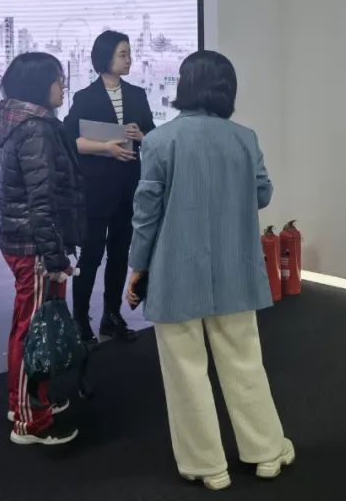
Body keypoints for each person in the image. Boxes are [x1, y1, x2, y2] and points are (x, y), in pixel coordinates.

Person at [126, 51, 294, 491]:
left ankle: (207, 466)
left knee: (185, 371)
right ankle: (266, 452)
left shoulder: (159, 141)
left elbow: (145, 215)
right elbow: (262, 194)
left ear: (184, 85)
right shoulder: (244, 138)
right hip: (236, 269)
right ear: (226, 89)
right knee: (245, 362)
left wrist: (136, 268)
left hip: (174, 271)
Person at [0, 52, 85, 446]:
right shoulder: (35, 128)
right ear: (38, 85)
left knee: (36, 323)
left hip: (29, 239)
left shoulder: (22, 121)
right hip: (34, 243)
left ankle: (33, 402)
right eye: (57, 80)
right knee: (32, 328)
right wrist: (54, 256)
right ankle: (28, 420)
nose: (63, 86)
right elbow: (41, 200)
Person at [65, 30, 156, 345]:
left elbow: (153, 136)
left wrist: (141, 135)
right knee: (91, 254)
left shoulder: (138, 95)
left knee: (119, 253)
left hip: (129, 186)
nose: (129, 59)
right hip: (95, 186)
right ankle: (80, 319)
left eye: (129, 53)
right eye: (122, 53)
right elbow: (71, 140)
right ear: (105, 57)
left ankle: (112, 315)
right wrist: (106, 148)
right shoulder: (85, 97)